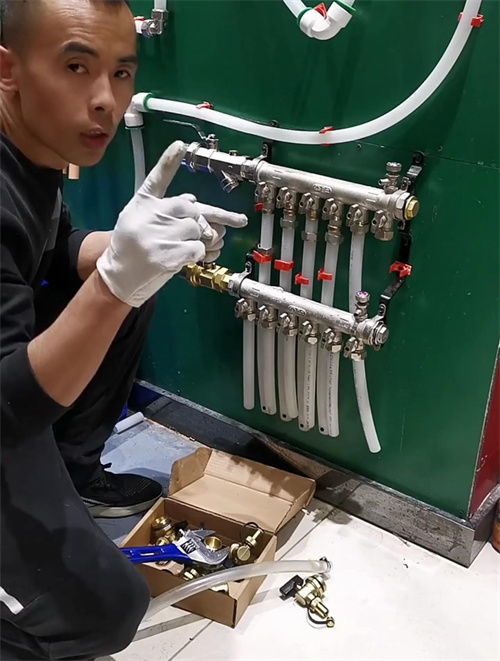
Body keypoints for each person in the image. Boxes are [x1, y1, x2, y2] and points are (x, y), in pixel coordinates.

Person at [0, 0, 248, 658]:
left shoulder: (30, 151)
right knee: (102, 613)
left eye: (121, 72)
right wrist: (113, 283)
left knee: (132, 296)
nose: (105, 100)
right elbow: (6, 409)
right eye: (76, 67)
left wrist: (126, 254)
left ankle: (71, 474)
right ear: (7, 70)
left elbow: (48, 254)